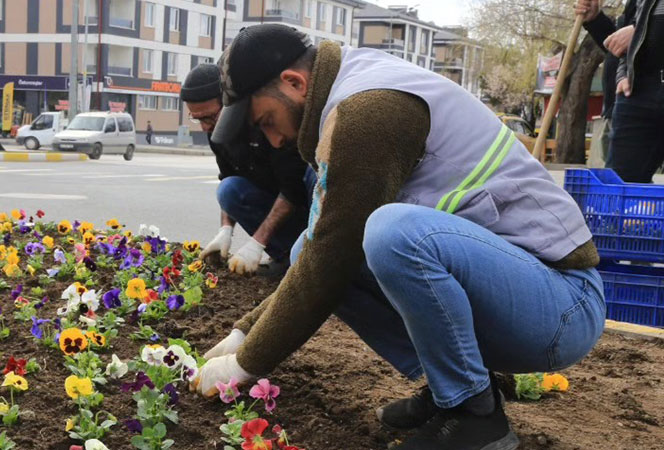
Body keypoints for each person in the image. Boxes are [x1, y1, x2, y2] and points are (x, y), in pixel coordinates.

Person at [191, 24, 604, 450]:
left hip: (561, 307)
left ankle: (474, 415)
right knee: (311, 248)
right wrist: (242, 334)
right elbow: (320, 250)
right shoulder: (346, 95)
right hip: (521, 298)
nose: (275, 140)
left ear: (294, 83)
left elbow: (330, 258)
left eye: (268, 122)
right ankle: (451, 389)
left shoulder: (368, 111)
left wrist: (244, 363)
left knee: (394, 234)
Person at [182, 64, 315, 274]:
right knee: (228, 189)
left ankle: (312, 259)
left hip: (304, 203)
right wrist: (225, 230)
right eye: (197, 119)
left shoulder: (265, 121)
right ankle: (285, 258)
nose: (205, 127)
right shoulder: (216, 132)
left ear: (228, 103)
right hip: (272, 198)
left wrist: (257, 243)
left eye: (209, 117)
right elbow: (228, 175)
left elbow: (292, 189)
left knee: (311, 176)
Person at [577, 0, 664, 182]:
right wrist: (623, 73)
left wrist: (640, 30)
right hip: (638, 91)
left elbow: (639, 32)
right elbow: (627, 43)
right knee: (619, 186)